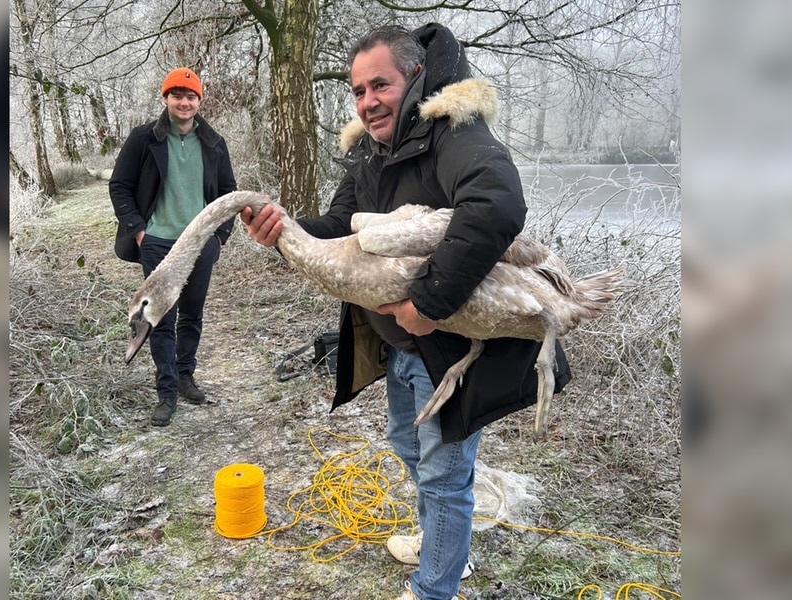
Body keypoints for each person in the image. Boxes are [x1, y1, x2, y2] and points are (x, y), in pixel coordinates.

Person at [243, 24, 571, 600]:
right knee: (407, 445)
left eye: (380, 85)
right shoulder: (369, 153)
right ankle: (443, 538)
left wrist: (427, 304)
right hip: (399, 344)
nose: (368, 101)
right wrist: (284, 230)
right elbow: (337, 229)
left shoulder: (454, 134)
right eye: (358, 91)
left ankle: (436, 584)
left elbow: (496, 204)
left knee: (445, 476)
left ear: (416, 77)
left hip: (447, 345)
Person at [109, 67, 237, 427]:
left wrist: (219, 236)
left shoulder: (214, 142)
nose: (184, 102)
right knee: (161, 321)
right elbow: (119, 185)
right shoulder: (143, 139)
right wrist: (139, 232)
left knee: (192, 314)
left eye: (191, 95)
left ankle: (185, 377)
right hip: (158, 243)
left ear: (199, 100)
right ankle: (166, 394)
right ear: (166, 98)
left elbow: (229, 192)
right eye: (177, 95)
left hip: (200, 244)